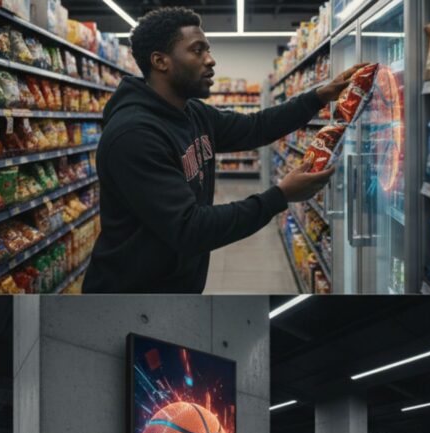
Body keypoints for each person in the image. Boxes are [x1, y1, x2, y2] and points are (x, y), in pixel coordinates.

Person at [83, 7, 369, 293]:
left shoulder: (192, 112)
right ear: (161, 61)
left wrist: (319, 96)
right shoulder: (134, 136)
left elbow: (255, 127)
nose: (211, 60)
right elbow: (190, 228)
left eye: (208, 49)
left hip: (177, 285)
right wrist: (280, 196)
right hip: (131, 293)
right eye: (197, 50)